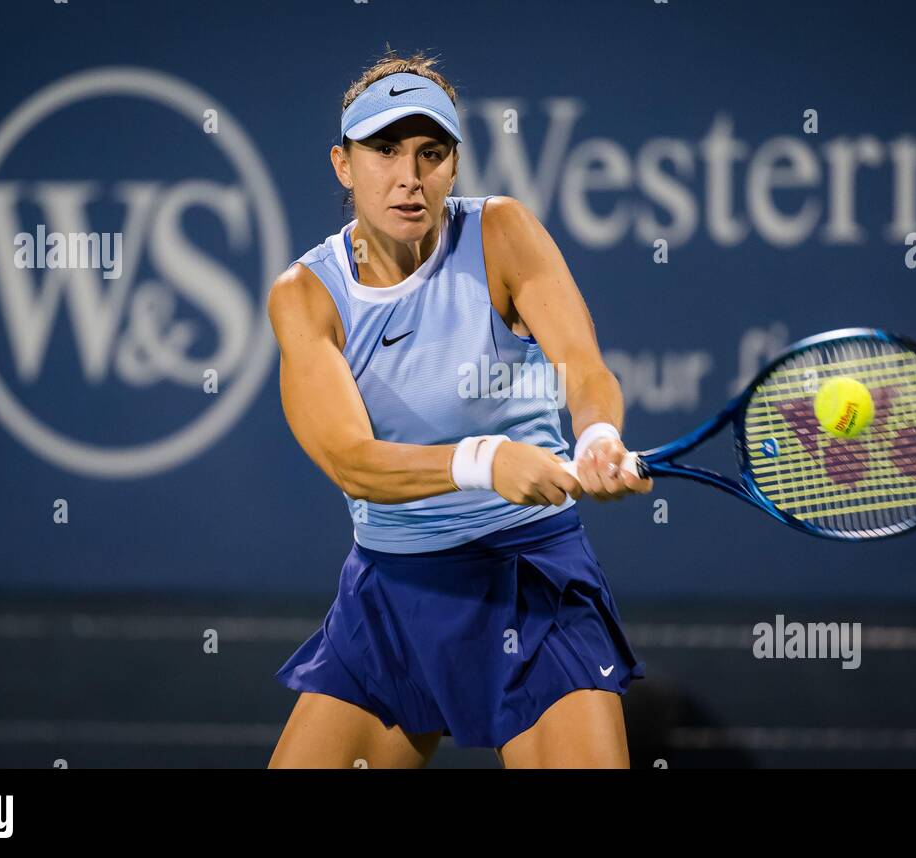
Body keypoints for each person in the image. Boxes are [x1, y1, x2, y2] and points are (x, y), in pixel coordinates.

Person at [266, 49, 652, 769]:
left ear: (453, 164)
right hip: (395, 591)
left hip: (530, 578)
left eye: (430, 152)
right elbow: (352, 461)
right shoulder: (306, 295)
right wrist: (485, 461)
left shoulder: (502, 232)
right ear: (343, 165)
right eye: (384, 150)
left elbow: (585, 367)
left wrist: (598, 434)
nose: (409, 175)